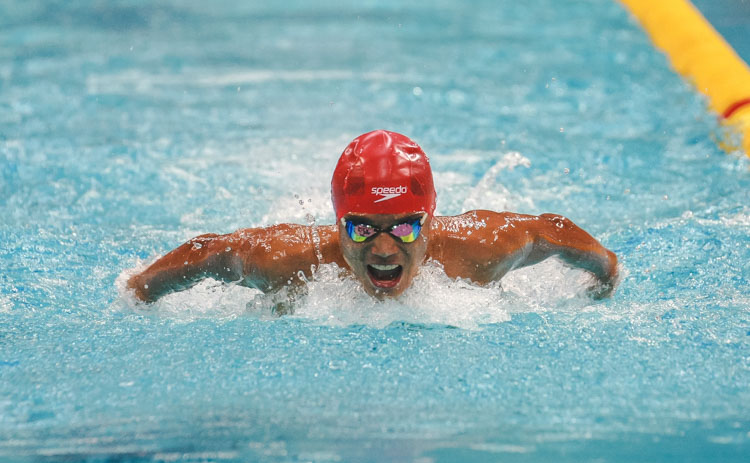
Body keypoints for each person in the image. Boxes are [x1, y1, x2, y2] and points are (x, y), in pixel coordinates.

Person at [127, 130, 618, 303]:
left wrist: (606, 272)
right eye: (362, 228)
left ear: (430, 220)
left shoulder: (480, 248)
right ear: (338, 225)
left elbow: (548, 232)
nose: (384, 249)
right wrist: (140, 289)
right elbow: (212, 251)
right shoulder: (288, 261)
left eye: (404, 226)